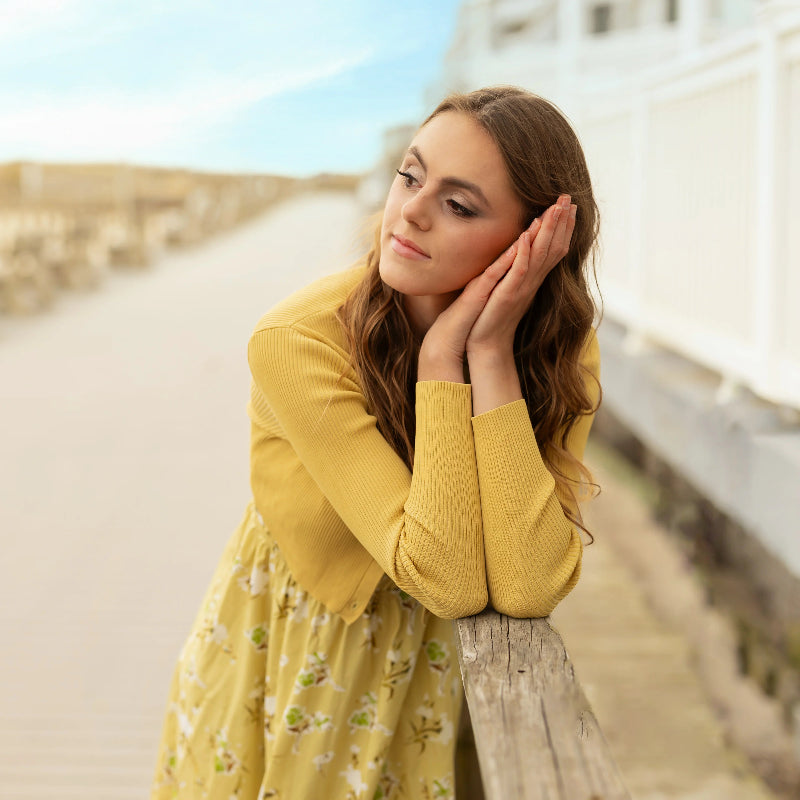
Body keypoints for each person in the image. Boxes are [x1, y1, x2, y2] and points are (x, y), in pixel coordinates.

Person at [151, 85, 601, 799]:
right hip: (313, 661)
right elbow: (447, 579)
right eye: (410, 175)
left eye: (458, 205)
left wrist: (485, 355)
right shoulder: (297, 342)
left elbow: (530, 582)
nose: (411, 212)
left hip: (448, 673)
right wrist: (437, 362)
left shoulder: (559, 356)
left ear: (532, 243)